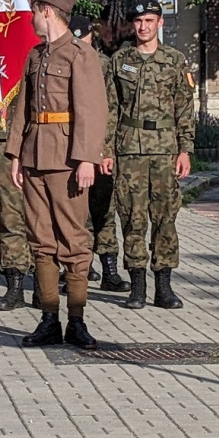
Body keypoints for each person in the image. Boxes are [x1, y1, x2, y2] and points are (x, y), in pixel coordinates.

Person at [6, 0, 107, 348]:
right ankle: (49, 318)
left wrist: (85, 159)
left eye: (34, 11)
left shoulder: (81, 54)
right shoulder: (35, 56)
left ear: (47, 11)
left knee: (74, 241)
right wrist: (16, 153)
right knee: (41, 240)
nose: (31, 18)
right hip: (35, 155)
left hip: (66, 159)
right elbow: (24, 108)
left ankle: (76, 321)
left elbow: (93, 110)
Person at [104, 0, 195, 310]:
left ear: (160, 23)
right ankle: (137, 287)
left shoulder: (175, 60)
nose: (143, 27)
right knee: (132, 218)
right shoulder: (121, 60)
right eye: (138, 22)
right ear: (133, 25)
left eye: (149, 21)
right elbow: (110, 109)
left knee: (165, 218)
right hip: (129, 149)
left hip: (165, 150)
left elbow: (185, 109)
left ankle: (164, 288)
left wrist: (185, 150)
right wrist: (106, 150)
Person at [68, 15, 130, 293]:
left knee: (104, 210)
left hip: (98, 150)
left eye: (85, 40)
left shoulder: (103, 66)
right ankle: (80, 267)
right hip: (70, 150)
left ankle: (109, 270)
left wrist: (105, 151)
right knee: (75, 212)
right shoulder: (62, 63)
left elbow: (111, 110)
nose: (81, 45)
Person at [0, 114, 34, 311]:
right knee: (9, 217)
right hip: (4, 142)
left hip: (44, 138)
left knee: (46, 219)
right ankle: (15, 287)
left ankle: (44, 285)